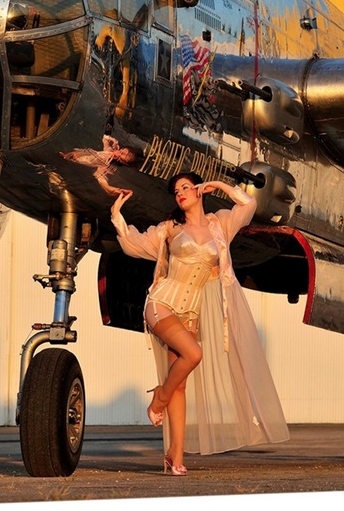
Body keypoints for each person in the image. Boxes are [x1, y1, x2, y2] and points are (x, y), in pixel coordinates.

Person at [110, 172, 289, 476]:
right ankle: (159, 398)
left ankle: (174, 456)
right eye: (175, 190)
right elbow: (132, 245)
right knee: (193, 355)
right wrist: (116, 214)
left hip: (189, 313)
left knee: (179, 384)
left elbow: (247, 206)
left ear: (197, 190)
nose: (179, 193)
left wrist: (219, 186)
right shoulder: (170, 229)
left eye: (185, 187)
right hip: (161, 304)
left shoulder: (220, 224)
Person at [61, 134, 138, 196]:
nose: (118, 153)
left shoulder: (105, 164)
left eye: (121, 157)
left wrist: (114, 190)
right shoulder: (110, 151)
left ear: (121, 162)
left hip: (74, 158)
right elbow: (104, 138)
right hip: (78, 152)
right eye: (121, 151)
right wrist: (113, 140)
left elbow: (102, 180)